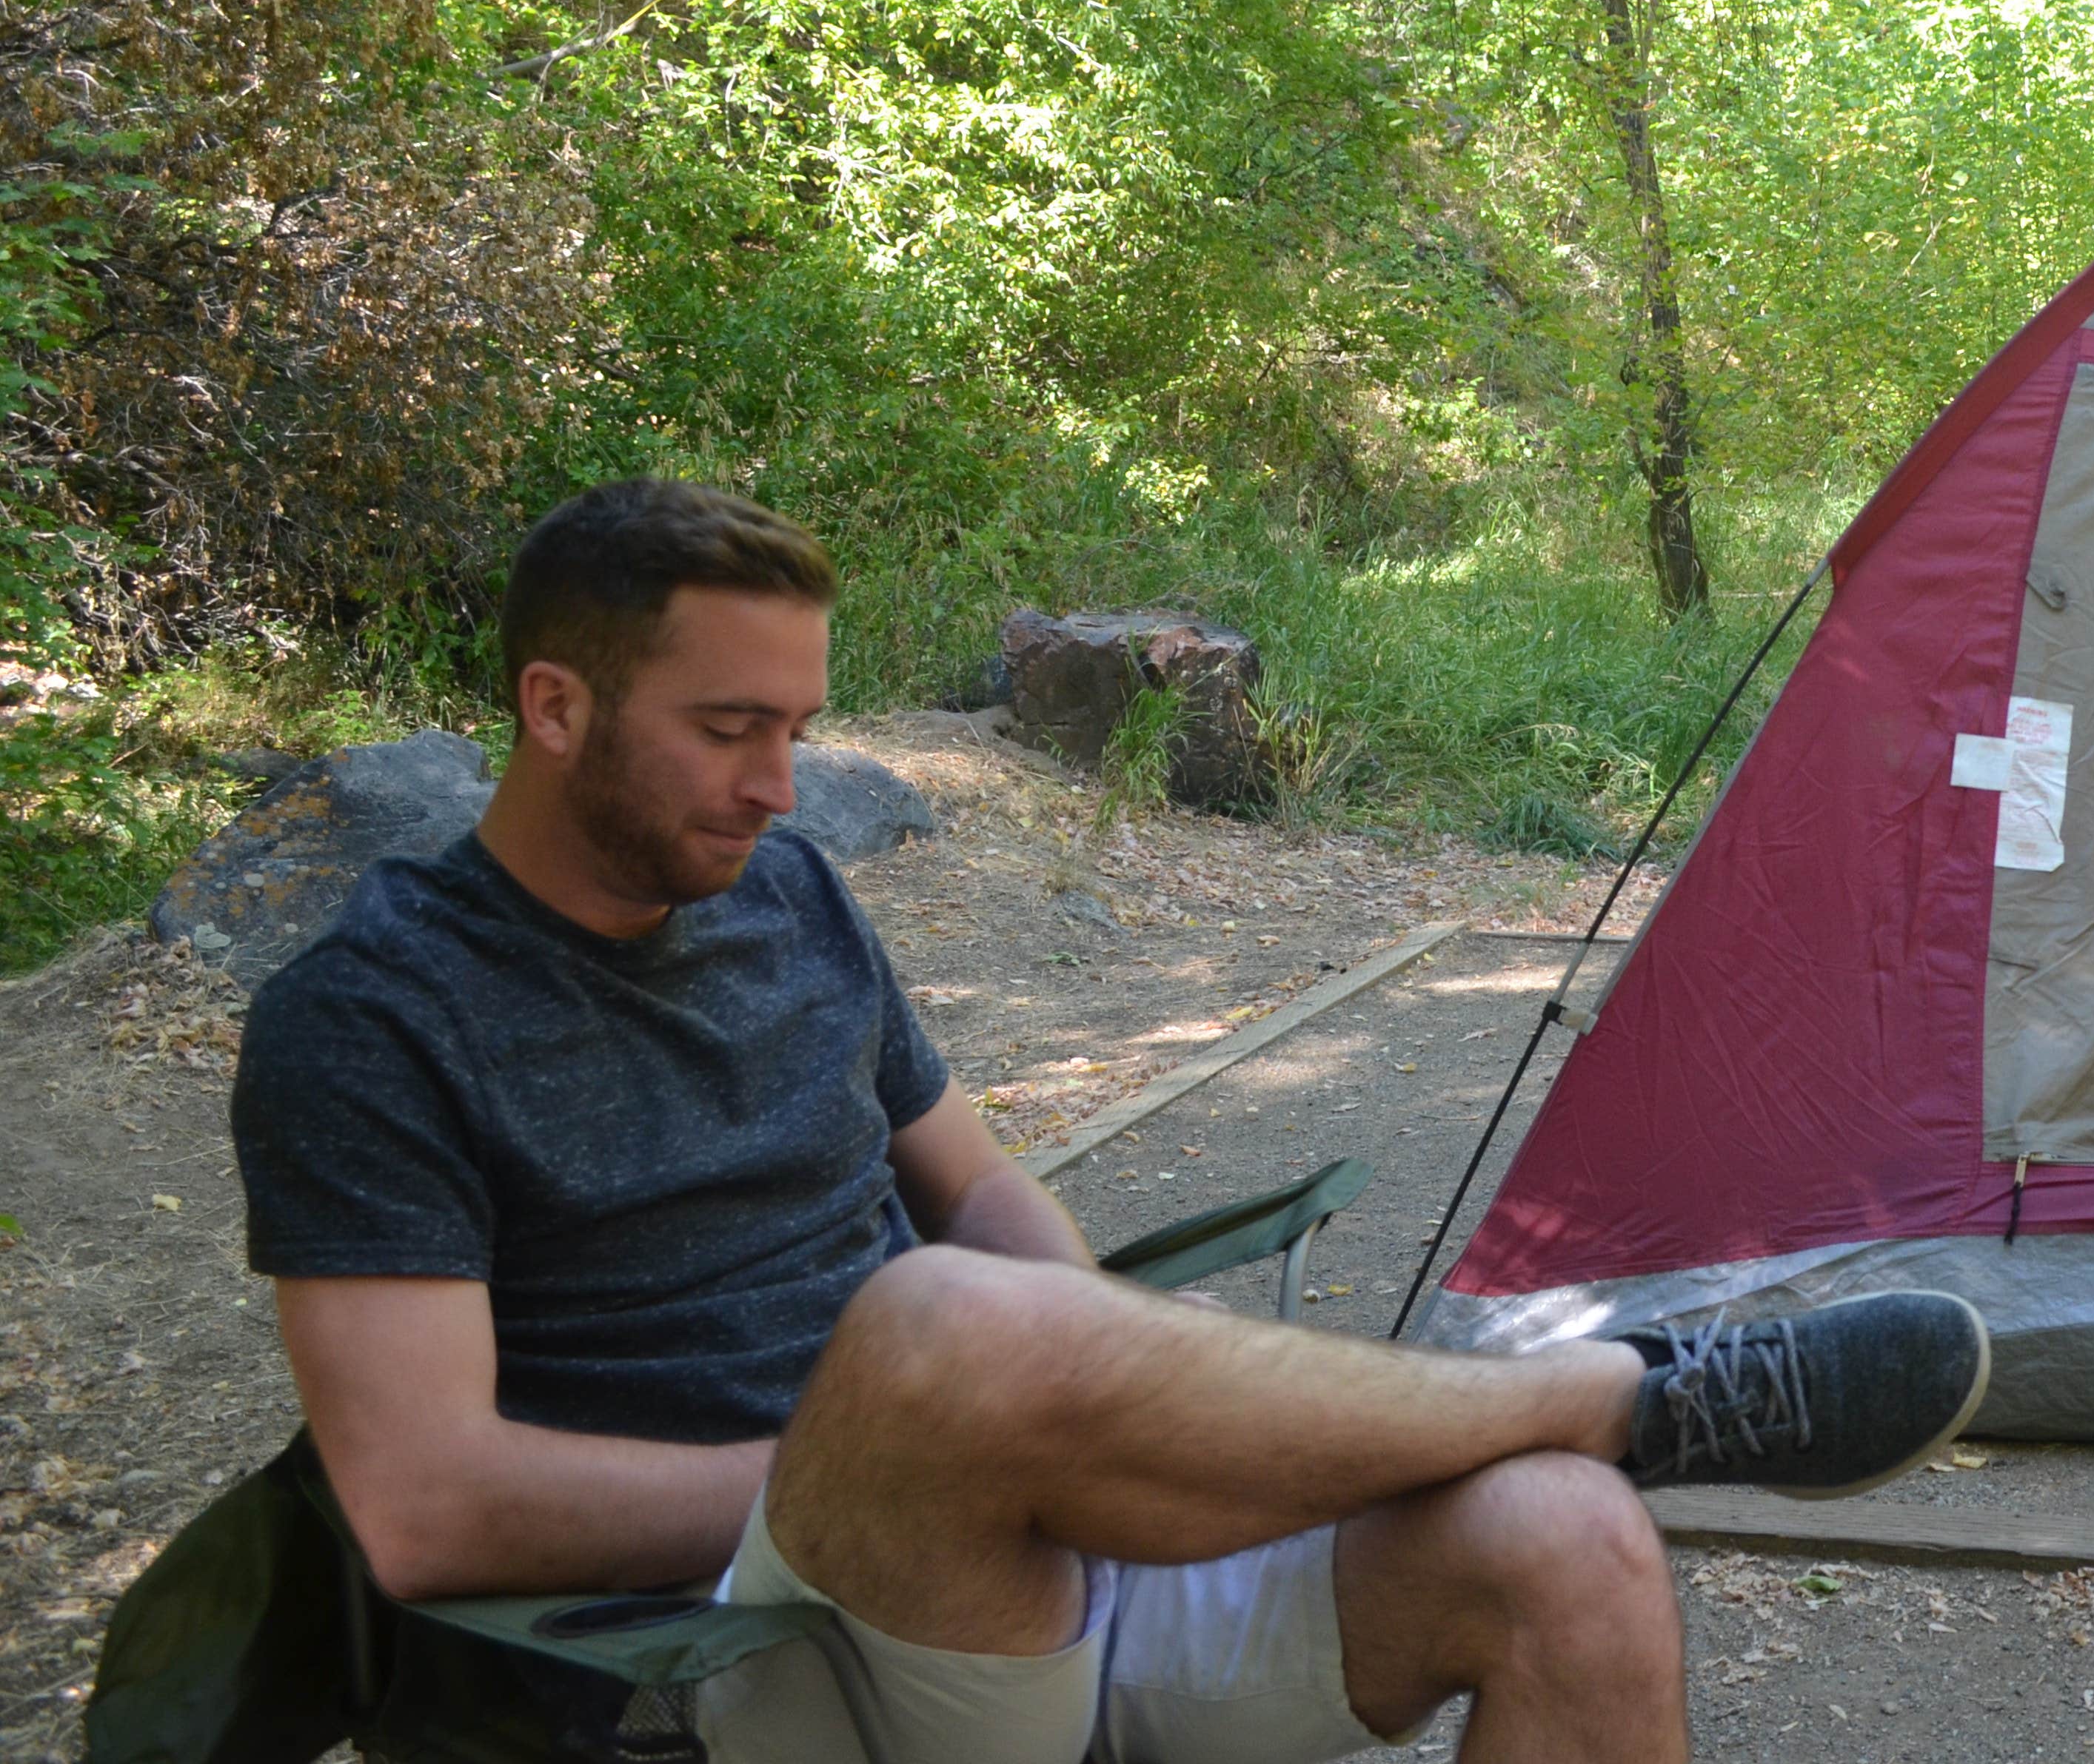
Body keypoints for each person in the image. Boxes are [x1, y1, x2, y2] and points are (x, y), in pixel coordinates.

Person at [231, 478, 1991, 1764]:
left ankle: (1598, 1441)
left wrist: (1072, 1398)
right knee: (935, 1332)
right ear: (554, 708)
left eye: (799, 727)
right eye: (726, 729)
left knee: (1566, 1548)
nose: (778, 784)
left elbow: (975, 1177)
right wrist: (911, 1458)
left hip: (1011, 1564)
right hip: (723, 1652)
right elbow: (428, 1510)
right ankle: (1624, 1396)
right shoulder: (374, 1022)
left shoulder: (788, 901)